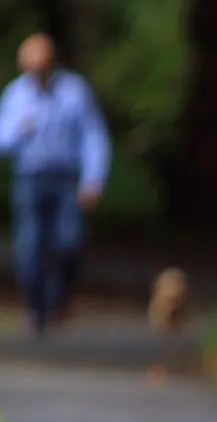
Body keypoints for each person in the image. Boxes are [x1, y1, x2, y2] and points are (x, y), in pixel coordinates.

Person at [0, 33, 110, 335]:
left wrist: (93, 178)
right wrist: (19, 130)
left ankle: (59, 298)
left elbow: (93, 135)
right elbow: (2, 141)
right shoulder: (16, 95)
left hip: (64, 179)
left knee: (68, 240)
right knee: (30, 245)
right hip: (28, 178)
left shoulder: (74, 91)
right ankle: (37, 307)